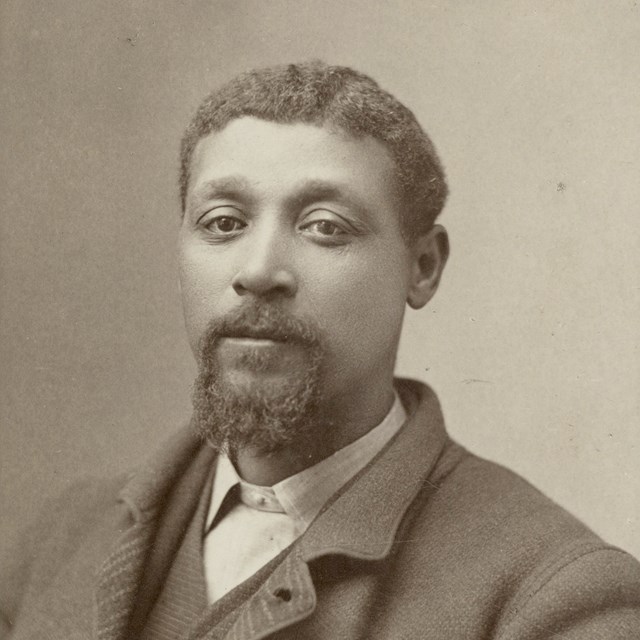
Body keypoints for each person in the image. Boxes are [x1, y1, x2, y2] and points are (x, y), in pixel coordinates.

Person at [1, 61, 639, 640]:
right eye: (223, 222)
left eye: (325, 228)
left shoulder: (554, 601)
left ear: (422, 267)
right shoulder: (55, 545)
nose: (258, 270)